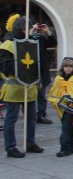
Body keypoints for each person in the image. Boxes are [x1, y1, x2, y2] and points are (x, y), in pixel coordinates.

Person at [0, 16, 42, 157]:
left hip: (30, 87)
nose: (31, 31)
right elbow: (5, 67)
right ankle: (10, 148)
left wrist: (38, 79)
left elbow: (35, 64)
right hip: (14, 87)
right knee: (11, 119)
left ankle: (30, 143)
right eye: (29, 28)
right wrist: (21, 64)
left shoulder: (31, 43)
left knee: (31, 118)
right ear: (22, 29)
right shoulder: (8, 45)